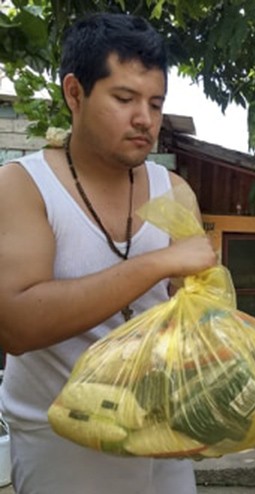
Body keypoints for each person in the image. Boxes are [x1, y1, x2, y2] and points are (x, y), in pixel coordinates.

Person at [0, 12, 217, 494]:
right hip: (60, 447)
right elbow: (17, 325)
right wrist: (157, 264)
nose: (145, 119)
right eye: (124, 98)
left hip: (161, 442)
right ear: (74, 93)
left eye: (156, 103)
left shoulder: (173, 191)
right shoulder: (24, 186)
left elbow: (199, 325)